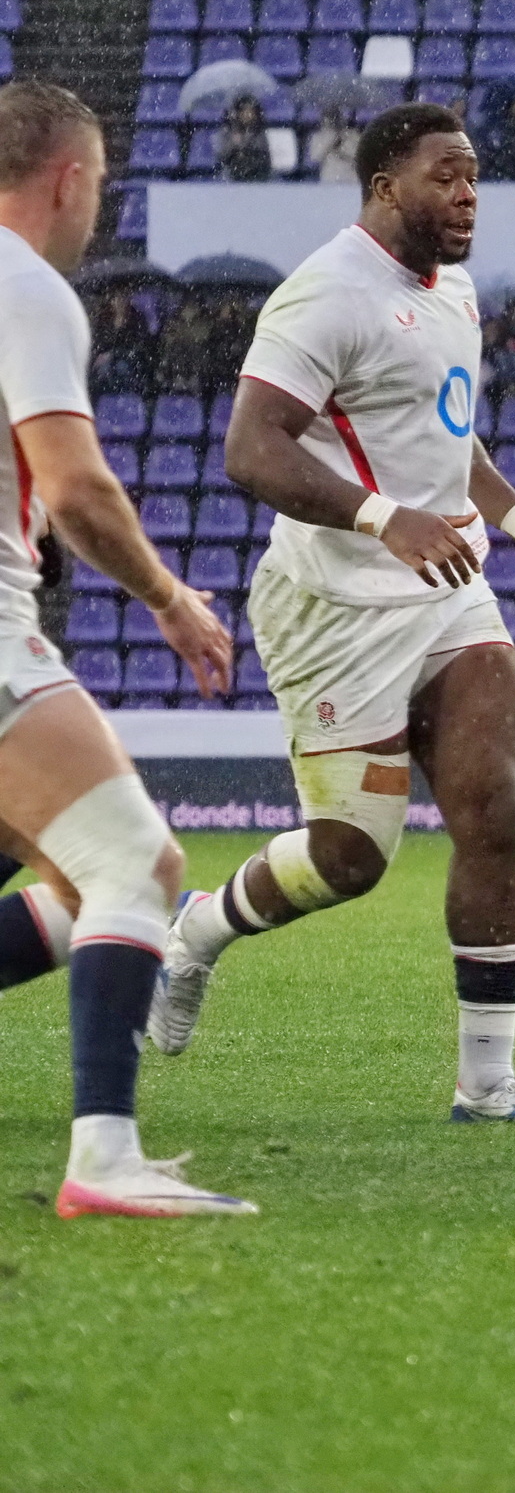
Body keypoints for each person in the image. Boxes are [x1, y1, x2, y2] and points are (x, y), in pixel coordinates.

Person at [147, 104, 515, 1128]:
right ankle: (196, 933)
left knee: (492, 809)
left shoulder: (455, 293)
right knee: (351, 859)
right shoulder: (326, 293)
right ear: (384, 185)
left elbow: (444, 431)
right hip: (334, 606)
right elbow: (252, 447)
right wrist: (379, 516)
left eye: (476, 176)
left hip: (448, 589)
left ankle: (487, 1083)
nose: (468, 194)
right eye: (447, 175)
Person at [0, 82, 248, 1215]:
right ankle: (104, 1159)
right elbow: (77, 484)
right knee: (135, 868)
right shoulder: (27, 286)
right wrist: (168, 597)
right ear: (69, 179)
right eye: (98, 183)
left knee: (63, 880)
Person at [87, 287, 157, 395]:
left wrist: (113, 354)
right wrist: (101, 355)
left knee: (121, 368)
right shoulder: (104, 318)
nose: (119, 301)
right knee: (101, 371)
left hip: (131, 360)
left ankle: (123, 401)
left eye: (123, 298)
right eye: (116, 298)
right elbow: (99, 342)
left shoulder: (137, 318)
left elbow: (138, 346)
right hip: (107, 361)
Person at [215, 96, 273, 183]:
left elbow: (265, 154)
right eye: (244, 111)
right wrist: (233, 144)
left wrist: (249, 144)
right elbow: (221, 155)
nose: (248, 115)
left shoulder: (260, 131)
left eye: (251, 112)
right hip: (232, 174)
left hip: (257, 174)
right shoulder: (228, 130)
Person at [306, 106, 362, 185]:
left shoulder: (352, 135)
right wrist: (332, 142)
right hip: (329, 177)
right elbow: (315, 158)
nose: (332, 121)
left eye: (336, 118)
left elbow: (358, 157)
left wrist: (343, 152)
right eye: (329, 118)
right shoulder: (318, 136)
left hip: (350, 177)